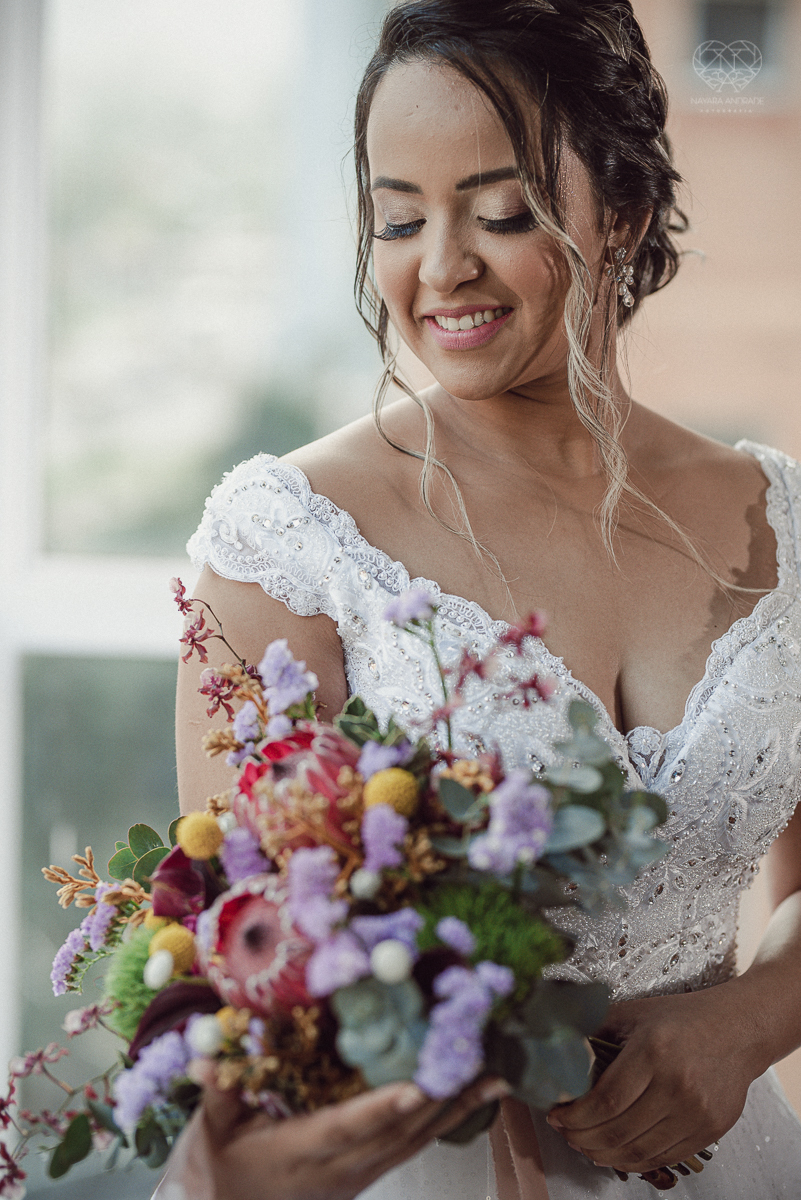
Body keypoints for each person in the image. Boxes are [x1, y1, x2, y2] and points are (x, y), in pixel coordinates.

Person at [170, 1, 801, 1196]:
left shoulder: (786, 522)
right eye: (399, 218)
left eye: (501, 212)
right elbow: (246, 985)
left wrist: (748, 1022)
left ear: (622, 209)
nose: (441, 266)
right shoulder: (284, 544)